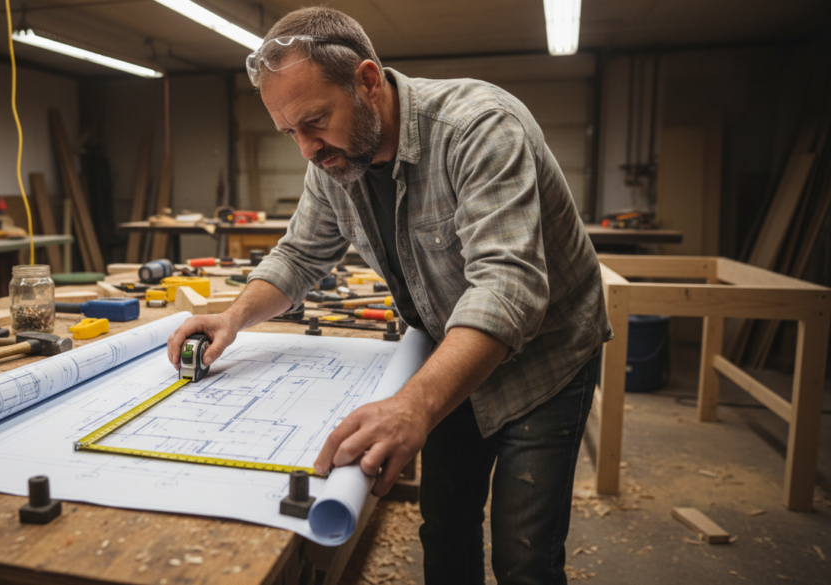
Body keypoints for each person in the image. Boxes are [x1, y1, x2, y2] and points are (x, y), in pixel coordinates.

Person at [166, 7, 612, 584]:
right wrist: (232, 317)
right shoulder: (330, 158)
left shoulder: (479, 127)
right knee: (446, 527)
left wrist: (415, 405)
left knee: (522, 557)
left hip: (546, 358)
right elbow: (300, 255)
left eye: (315, 121)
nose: (306, 148)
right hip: (449, 350)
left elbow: (508, 288)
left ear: (368, 82)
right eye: (290, 132)